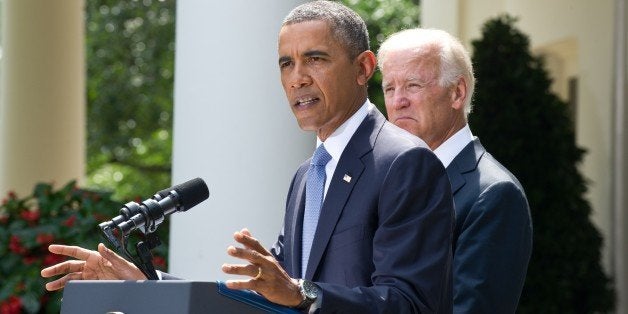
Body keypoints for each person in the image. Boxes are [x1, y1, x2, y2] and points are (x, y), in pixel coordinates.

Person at [42, 2, 455, 313]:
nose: (298, 78)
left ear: (364, 68)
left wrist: (301, 293)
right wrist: (146, 284)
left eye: (316, 58)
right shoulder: (307, 175)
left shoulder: (404, 163)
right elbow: (264, 299)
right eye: (286, 63)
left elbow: (411, 303)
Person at [377, 28, 533, 313]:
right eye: (389, 88)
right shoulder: (387, 183)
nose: (397, 101)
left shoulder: (494, 194)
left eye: (413, 85)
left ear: (457, 93)